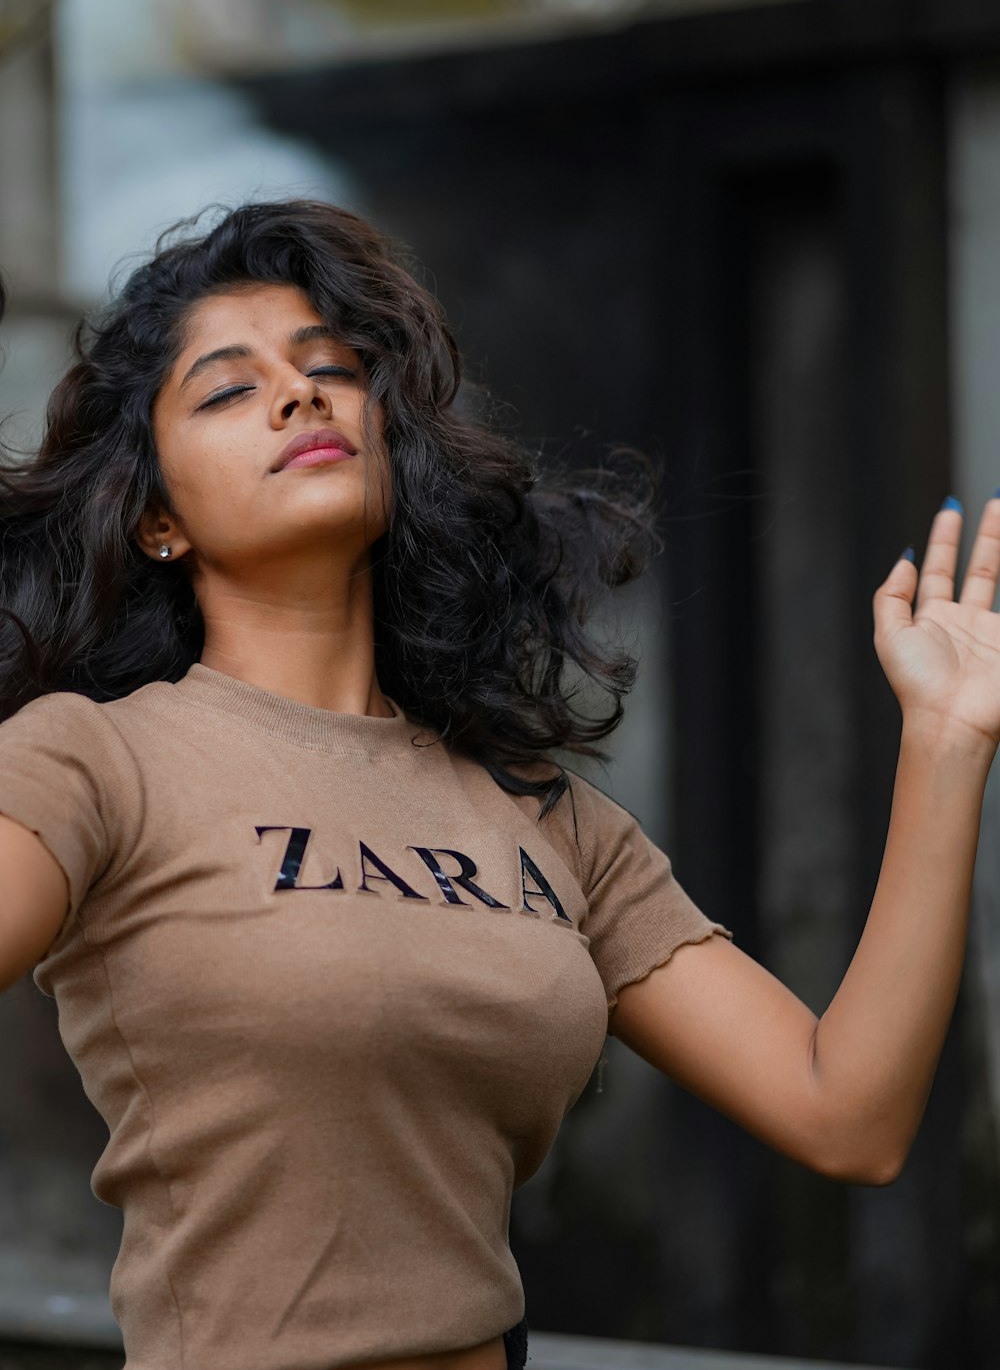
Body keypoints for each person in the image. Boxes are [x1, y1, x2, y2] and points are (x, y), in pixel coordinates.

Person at [0, 197, 996, 1370]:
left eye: (333, 368)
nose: (300, 393)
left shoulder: (544, 815)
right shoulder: (91, 758)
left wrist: (945, 738)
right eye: (228, 388)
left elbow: (848, 1112)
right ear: (160, 517)